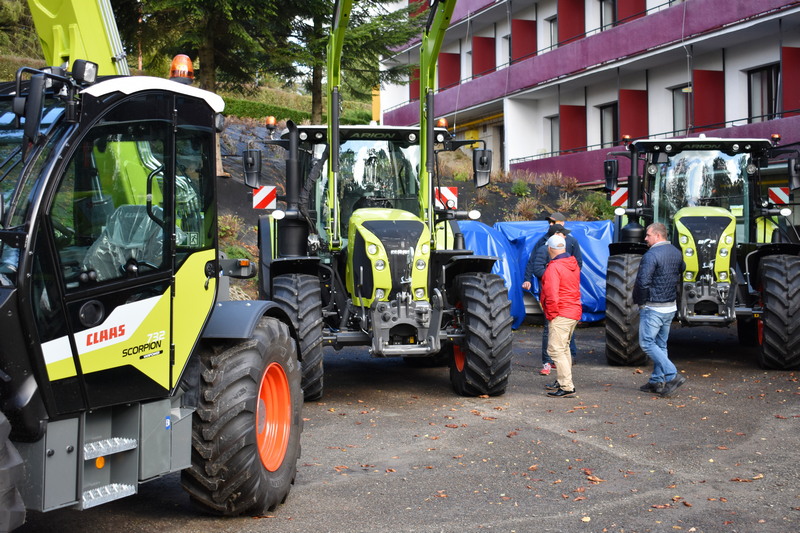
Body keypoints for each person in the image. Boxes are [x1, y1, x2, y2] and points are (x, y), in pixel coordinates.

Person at [522, 212, 583, 375]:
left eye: (554, 222)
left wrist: (564, 278)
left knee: (566, 328)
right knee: (551, 327)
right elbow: (534, 264)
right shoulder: (543, 246)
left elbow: (578, 264)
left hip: (566, 296)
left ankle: (569, 359)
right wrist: (546, 277)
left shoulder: (571, 243)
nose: (550, 224)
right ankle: (548, 362)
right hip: (552, 293)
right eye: (550, 222)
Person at [633, 222, 687, 396]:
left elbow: (643, 281)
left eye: (648, 235)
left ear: (657, 235)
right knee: (660, 344)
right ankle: (656, 381)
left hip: (653, 307)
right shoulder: (676, 252)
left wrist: (641, 302)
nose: (645, 238)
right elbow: (682, 269)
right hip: (669, 306)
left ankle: (672, 374)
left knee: (647, 343)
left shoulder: (651, 255)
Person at [538, 234, 582, 397]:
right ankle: (562, 380)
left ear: (549, 249)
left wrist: (551, 314)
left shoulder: (554, 267)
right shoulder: (573, 264)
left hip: (561, 312)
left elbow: (551, 294)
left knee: (555, 349)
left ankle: (567, 386)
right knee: (564, 348)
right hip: (573, 310)